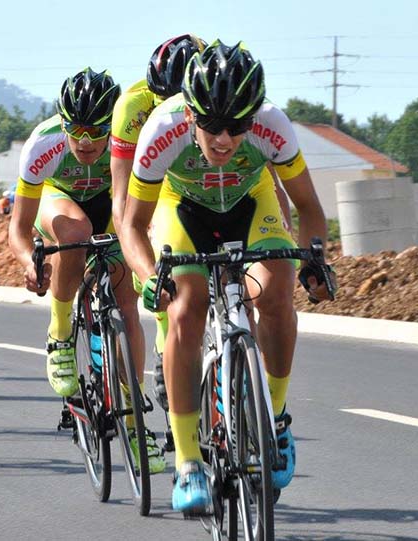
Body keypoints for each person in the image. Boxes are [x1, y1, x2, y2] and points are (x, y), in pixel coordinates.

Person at [120, 41, 335, 512]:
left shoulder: (274, 125)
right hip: (184, 209)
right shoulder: (162, 129)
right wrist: (148, 273)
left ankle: (275, 419)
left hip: (251, 203)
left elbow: (309, 210)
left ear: (253, 116)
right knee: (186, 305)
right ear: (190, 114)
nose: (224, 139)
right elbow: (131, 225)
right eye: (212, 126)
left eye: (237, 127)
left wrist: (316, 259)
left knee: (277, 291)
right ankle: (188, 463)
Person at [8, 68, 165, 473]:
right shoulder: (45, 144)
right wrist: (30, 261)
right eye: (76, 130)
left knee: (127, 304)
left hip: (110, 207)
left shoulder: (128, 137)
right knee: (74, 232)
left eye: (97, 131)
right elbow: (18, 228)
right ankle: (60, 333)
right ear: (63, 123)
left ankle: (134, 421)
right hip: (58, 202)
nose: (85, 141)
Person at [110, 34, 207, 411]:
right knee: (161, 278)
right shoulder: (132, 109)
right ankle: (167, 342)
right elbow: (122, 201)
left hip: (200, 180)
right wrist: (143, 262)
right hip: (152, 185)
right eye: (160, 99)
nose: (169, 109)